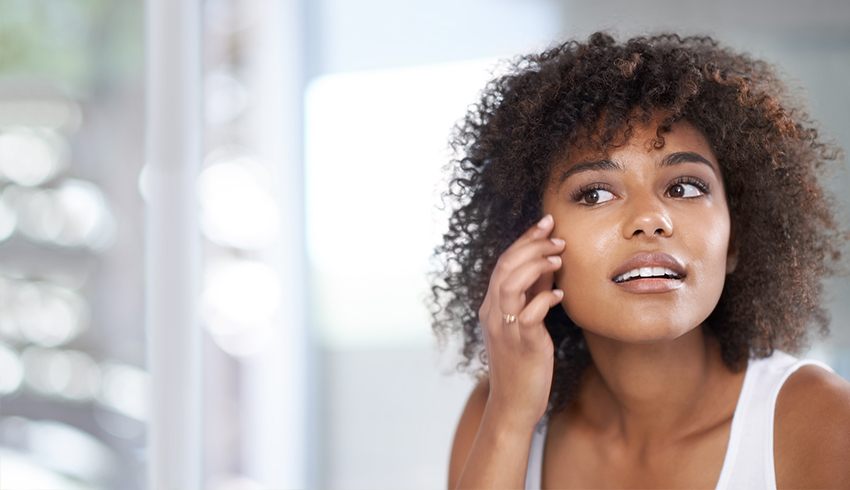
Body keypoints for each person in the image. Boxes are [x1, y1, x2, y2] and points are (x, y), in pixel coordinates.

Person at [430, 32, 850, 489]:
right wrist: (510, 419)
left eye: (685, 187)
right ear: (528, 243)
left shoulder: (822, 421)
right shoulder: (497, 414)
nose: (651, 219)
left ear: (734, 239)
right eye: (595, 194)